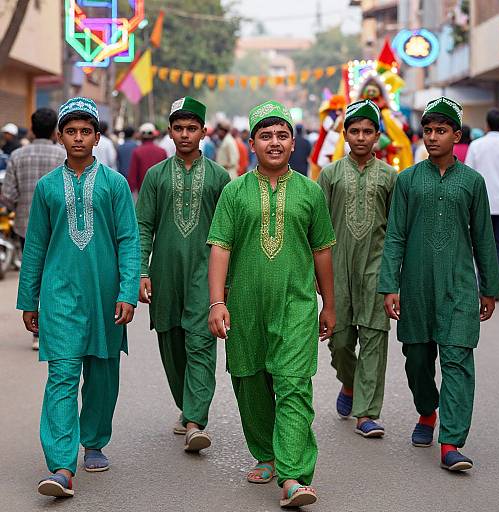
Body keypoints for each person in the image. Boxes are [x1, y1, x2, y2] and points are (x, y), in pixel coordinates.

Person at [207, 100, 336, 508]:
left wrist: (329, 304)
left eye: (282, 135)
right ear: (251, 143)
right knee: (250, 381)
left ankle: (294, 474)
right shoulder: (234, 192)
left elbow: (322, 252)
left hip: (296, 305)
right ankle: (265, 452)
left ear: (293, 142)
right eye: (266, 135)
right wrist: (216, 302)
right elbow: (220, 249)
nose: (274, 142)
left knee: (294, 385)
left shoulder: (310, 192)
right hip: (245, 306)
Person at [16, 97, 140, 498]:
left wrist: (127, 292)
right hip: (59, 295)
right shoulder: (49, 187)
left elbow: (128, 240)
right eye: (71, 131)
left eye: (86, 131)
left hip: (105, 295)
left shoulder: (115, 184)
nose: (78, 138)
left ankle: (95, 441)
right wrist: (29, 299)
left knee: (102, 375)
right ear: (60, 137)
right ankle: (61, 465)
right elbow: (34, 245)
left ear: (97, 137)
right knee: (62, 376)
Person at [378, 97, 499, 472]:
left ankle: (451, 442)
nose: (432, 137)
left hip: (459, 285)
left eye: (441, 131)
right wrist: (389, 284)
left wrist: (489, 288)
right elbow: (395, 235)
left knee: (457, 360)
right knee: (417, 359)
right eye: (428, 130)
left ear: (456, 135)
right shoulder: (408, 180)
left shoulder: (473, 183)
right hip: (415, 285)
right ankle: (427, 411)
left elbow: (484, 237)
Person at [136, 97, 230, 453]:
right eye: (179, 128)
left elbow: (231, 232)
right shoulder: (156, 176)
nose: (185, 134)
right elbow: (143, 225)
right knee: (172, 342)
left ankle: (195, 421)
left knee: (200, 342)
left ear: (204, 132)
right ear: (170, 132)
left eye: (192, 128)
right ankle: (186, 404)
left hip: (206, 275)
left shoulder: (221, 178)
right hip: (165, 273)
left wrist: (228, 284)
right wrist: (141, 271)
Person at [317, 99, 397, 437]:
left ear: (377, 135)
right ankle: (349, 385)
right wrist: (316, 275)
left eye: (368, 131)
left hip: (376, 268)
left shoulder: (392, 177)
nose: (361, 137)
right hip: (337, 269)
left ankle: (367, 413)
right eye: (355, 131)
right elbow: (317, 228)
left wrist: (394, 275)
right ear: (345, 134)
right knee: (340, 340)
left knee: (375, 339)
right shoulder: (330, 174)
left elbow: (397, 229)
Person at [1, 108, 66, 349]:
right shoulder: (63, 154)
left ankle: (37, 330)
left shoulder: (17, 155)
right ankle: (52, 324)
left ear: (31, 128)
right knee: (56, 273)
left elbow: (7, 195)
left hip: (25, 224)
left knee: (33, 273)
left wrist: (18, 204)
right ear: (54, 131)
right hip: (58, 225)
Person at [465, 108, 499, 290]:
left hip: (480, 204)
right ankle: (495, 285)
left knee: (481, 244)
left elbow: (468, 174)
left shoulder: (476, 146)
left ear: (487, 124)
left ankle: (482, 281)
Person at [127, 122, 166, 194]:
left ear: (141, 136)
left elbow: (132, 177)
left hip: (143, 192)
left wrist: (129, 192)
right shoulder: (162, 152)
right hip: (160, 192)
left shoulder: (137, 152)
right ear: (154, 135)